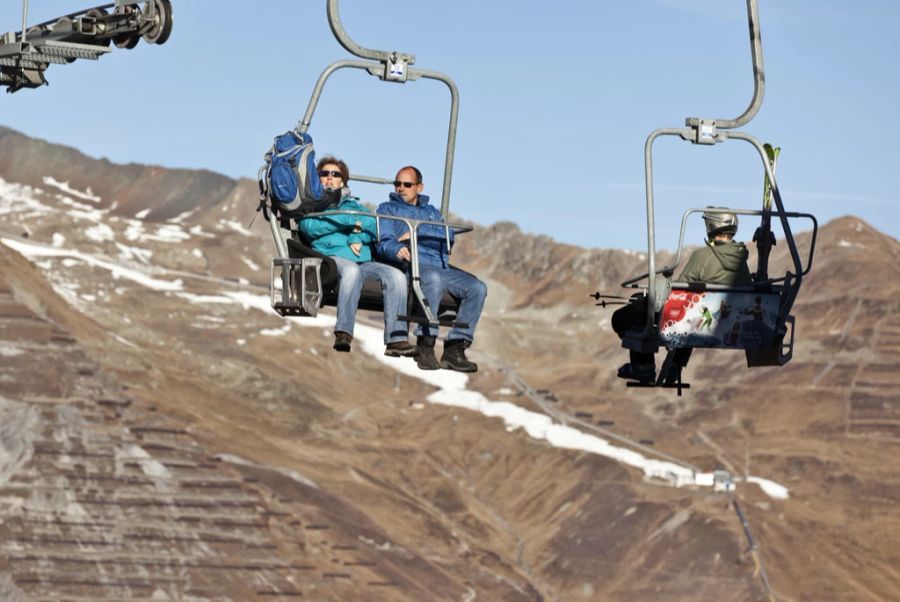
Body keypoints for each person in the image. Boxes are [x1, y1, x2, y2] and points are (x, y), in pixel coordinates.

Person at [613, 208, 752, 384]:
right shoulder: (741, 259)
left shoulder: (702, 257)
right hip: (726, 323)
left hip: (696, 321)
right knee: (693, 316)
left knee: (624, 317)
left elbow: (677, 295)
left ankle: (643, 367)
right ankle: (675, 365)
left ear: (711, 225)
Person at [298, 157, 416, 357]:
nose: (329, 178)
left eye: (335, 175)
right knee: (351, 271)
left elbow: (374, 225)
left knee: (395, 275)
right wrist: (347, 219)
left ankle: (396, 339)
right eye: (324, 174)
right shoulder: (313, 205)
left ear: (342, 181)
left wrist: (356, 234)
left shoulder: (356, 206)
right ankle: (343, 332)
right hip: (332, 258)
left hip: (364, 260)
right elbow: (309, 227)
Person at [376, 165, 487, 372]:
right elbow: (384, 241)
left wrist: (414, 232)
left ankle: (456, 347)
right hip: (415, 265)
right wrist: (397, 249)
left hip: (440, 264)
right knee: (433, 279)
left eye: (407, 184)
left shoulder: (432, 212)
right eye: (397, 184)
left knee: (477, 287)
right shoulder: (387, 209)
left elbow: (448, 236)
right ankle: (425, 342)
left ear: (419, 187)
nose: (401, 188)